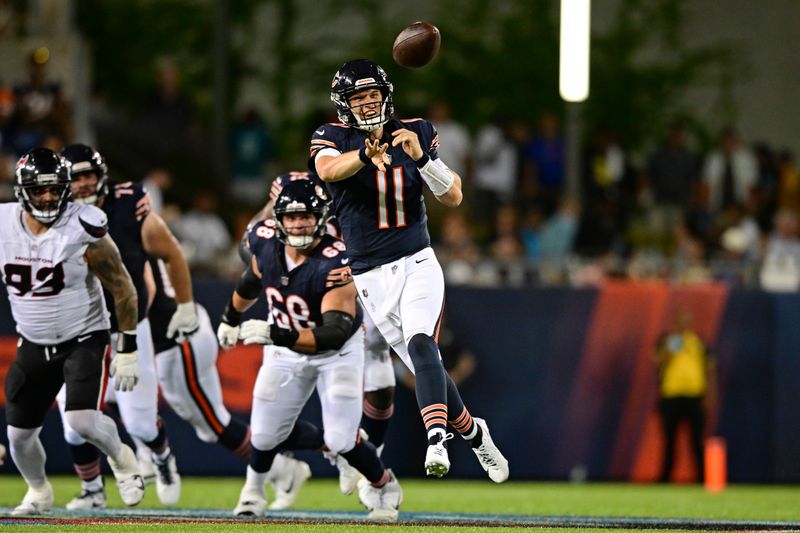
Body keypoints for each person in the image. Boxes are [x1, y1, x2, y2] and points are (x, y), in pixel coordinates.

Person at [310, 59, 508, 481]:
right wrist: (364, 154)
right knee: (424, 367)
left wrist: (423, 161)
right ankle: (475, 435)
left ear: (386, 95)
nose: (366, 104)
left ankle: (437, 439)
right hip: (369, 275)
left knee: (423, 346)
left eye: (372, 95)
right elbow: (327, 170)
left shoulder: (416, 130)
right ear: (344, 104)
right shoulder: (331, 137)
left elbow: (453, 196)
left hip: (417, 260)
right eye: (357, 98)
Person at [218, 178, 403, 519]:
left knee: (341, 439)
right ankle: (253, 491)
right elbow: (251, 280)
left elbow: (336, 330)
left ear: (322, 218)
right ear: (278, 219)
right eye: (290, 217)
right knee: (263, 433)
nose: (298, 223)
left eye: (306, 216)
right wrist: (230, 317)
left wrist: (277, 333)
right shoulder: (263, 241)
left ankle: (383, 484)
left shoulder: (336, 259)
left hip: (336, 354)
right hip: (284, 349)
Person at [55, 143, 200, 508]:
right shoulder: (50, 212)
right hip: (76, 329)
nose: (84, 184)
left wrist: (184, 306)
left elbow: (171, 252)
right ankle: (92, 491)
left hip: (128, 325)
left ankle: (162, 457)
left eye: (89, 175)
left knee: (141, 424)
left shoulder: (128, 205)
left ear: (102, 176)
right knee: (73, 424)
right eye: (76, 177)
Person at [2, 148, 144, 515]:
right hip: (33, 341)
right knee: (18, 437)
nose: (48, 197)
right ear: (22, 191)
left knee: (81, 420)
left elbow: (123, 286)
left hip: (83, 336)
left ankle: (122, 456)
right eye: (39, 190)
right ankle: (38, 491)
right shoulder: (3, 226)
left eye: (54, 189)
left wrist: (127, 347)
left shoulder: (83, 224)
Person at [144, 255, 312, 510]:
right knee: (206, 425)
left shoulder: (126, 230)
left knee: (213, 423)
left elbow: (160, 269)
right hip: (173, 337)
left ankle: (297, 461)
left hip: (179, 338)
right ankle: (283, 468)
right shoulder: (126, 230)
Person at [655, 310, 716, 483]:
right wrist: (674, 343)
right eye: (680, 321)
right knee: (669, 441)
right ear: (675, 323)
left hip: (694, 396)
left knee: (696, 440)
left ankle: (703, 478)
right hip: (671, 396)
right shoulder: (668, 341)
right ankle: (665, 478)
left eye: (686, 321)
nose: (683, 325)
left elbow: (710, 370)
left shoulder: (699, 342)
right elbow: (661, 363)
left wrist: (710, 395)